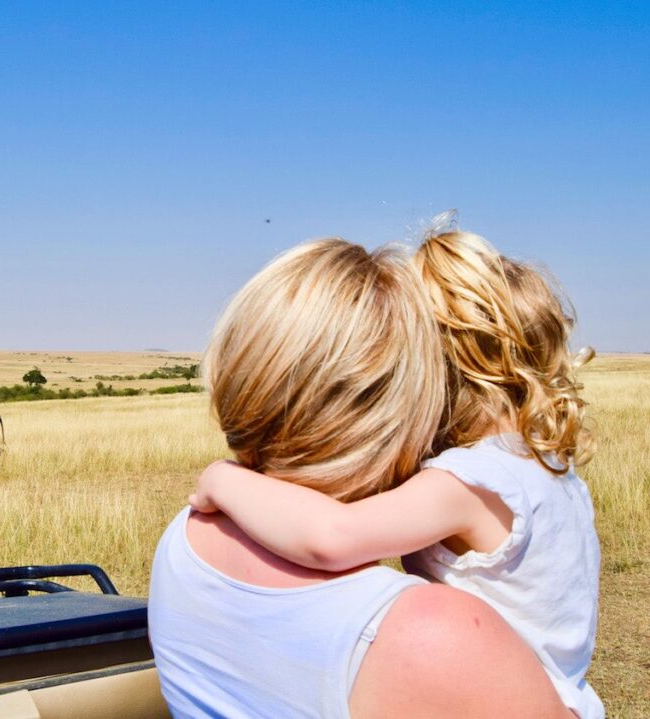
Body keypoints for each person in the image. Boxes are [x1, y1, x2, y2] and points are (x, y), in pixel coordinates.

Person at [187, 227, 601, 717]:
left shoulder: (468, 481)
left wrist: (227, 480)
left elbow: (331, 537)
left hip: (497, 695)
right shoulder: (546, 466)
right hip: (561, 687)